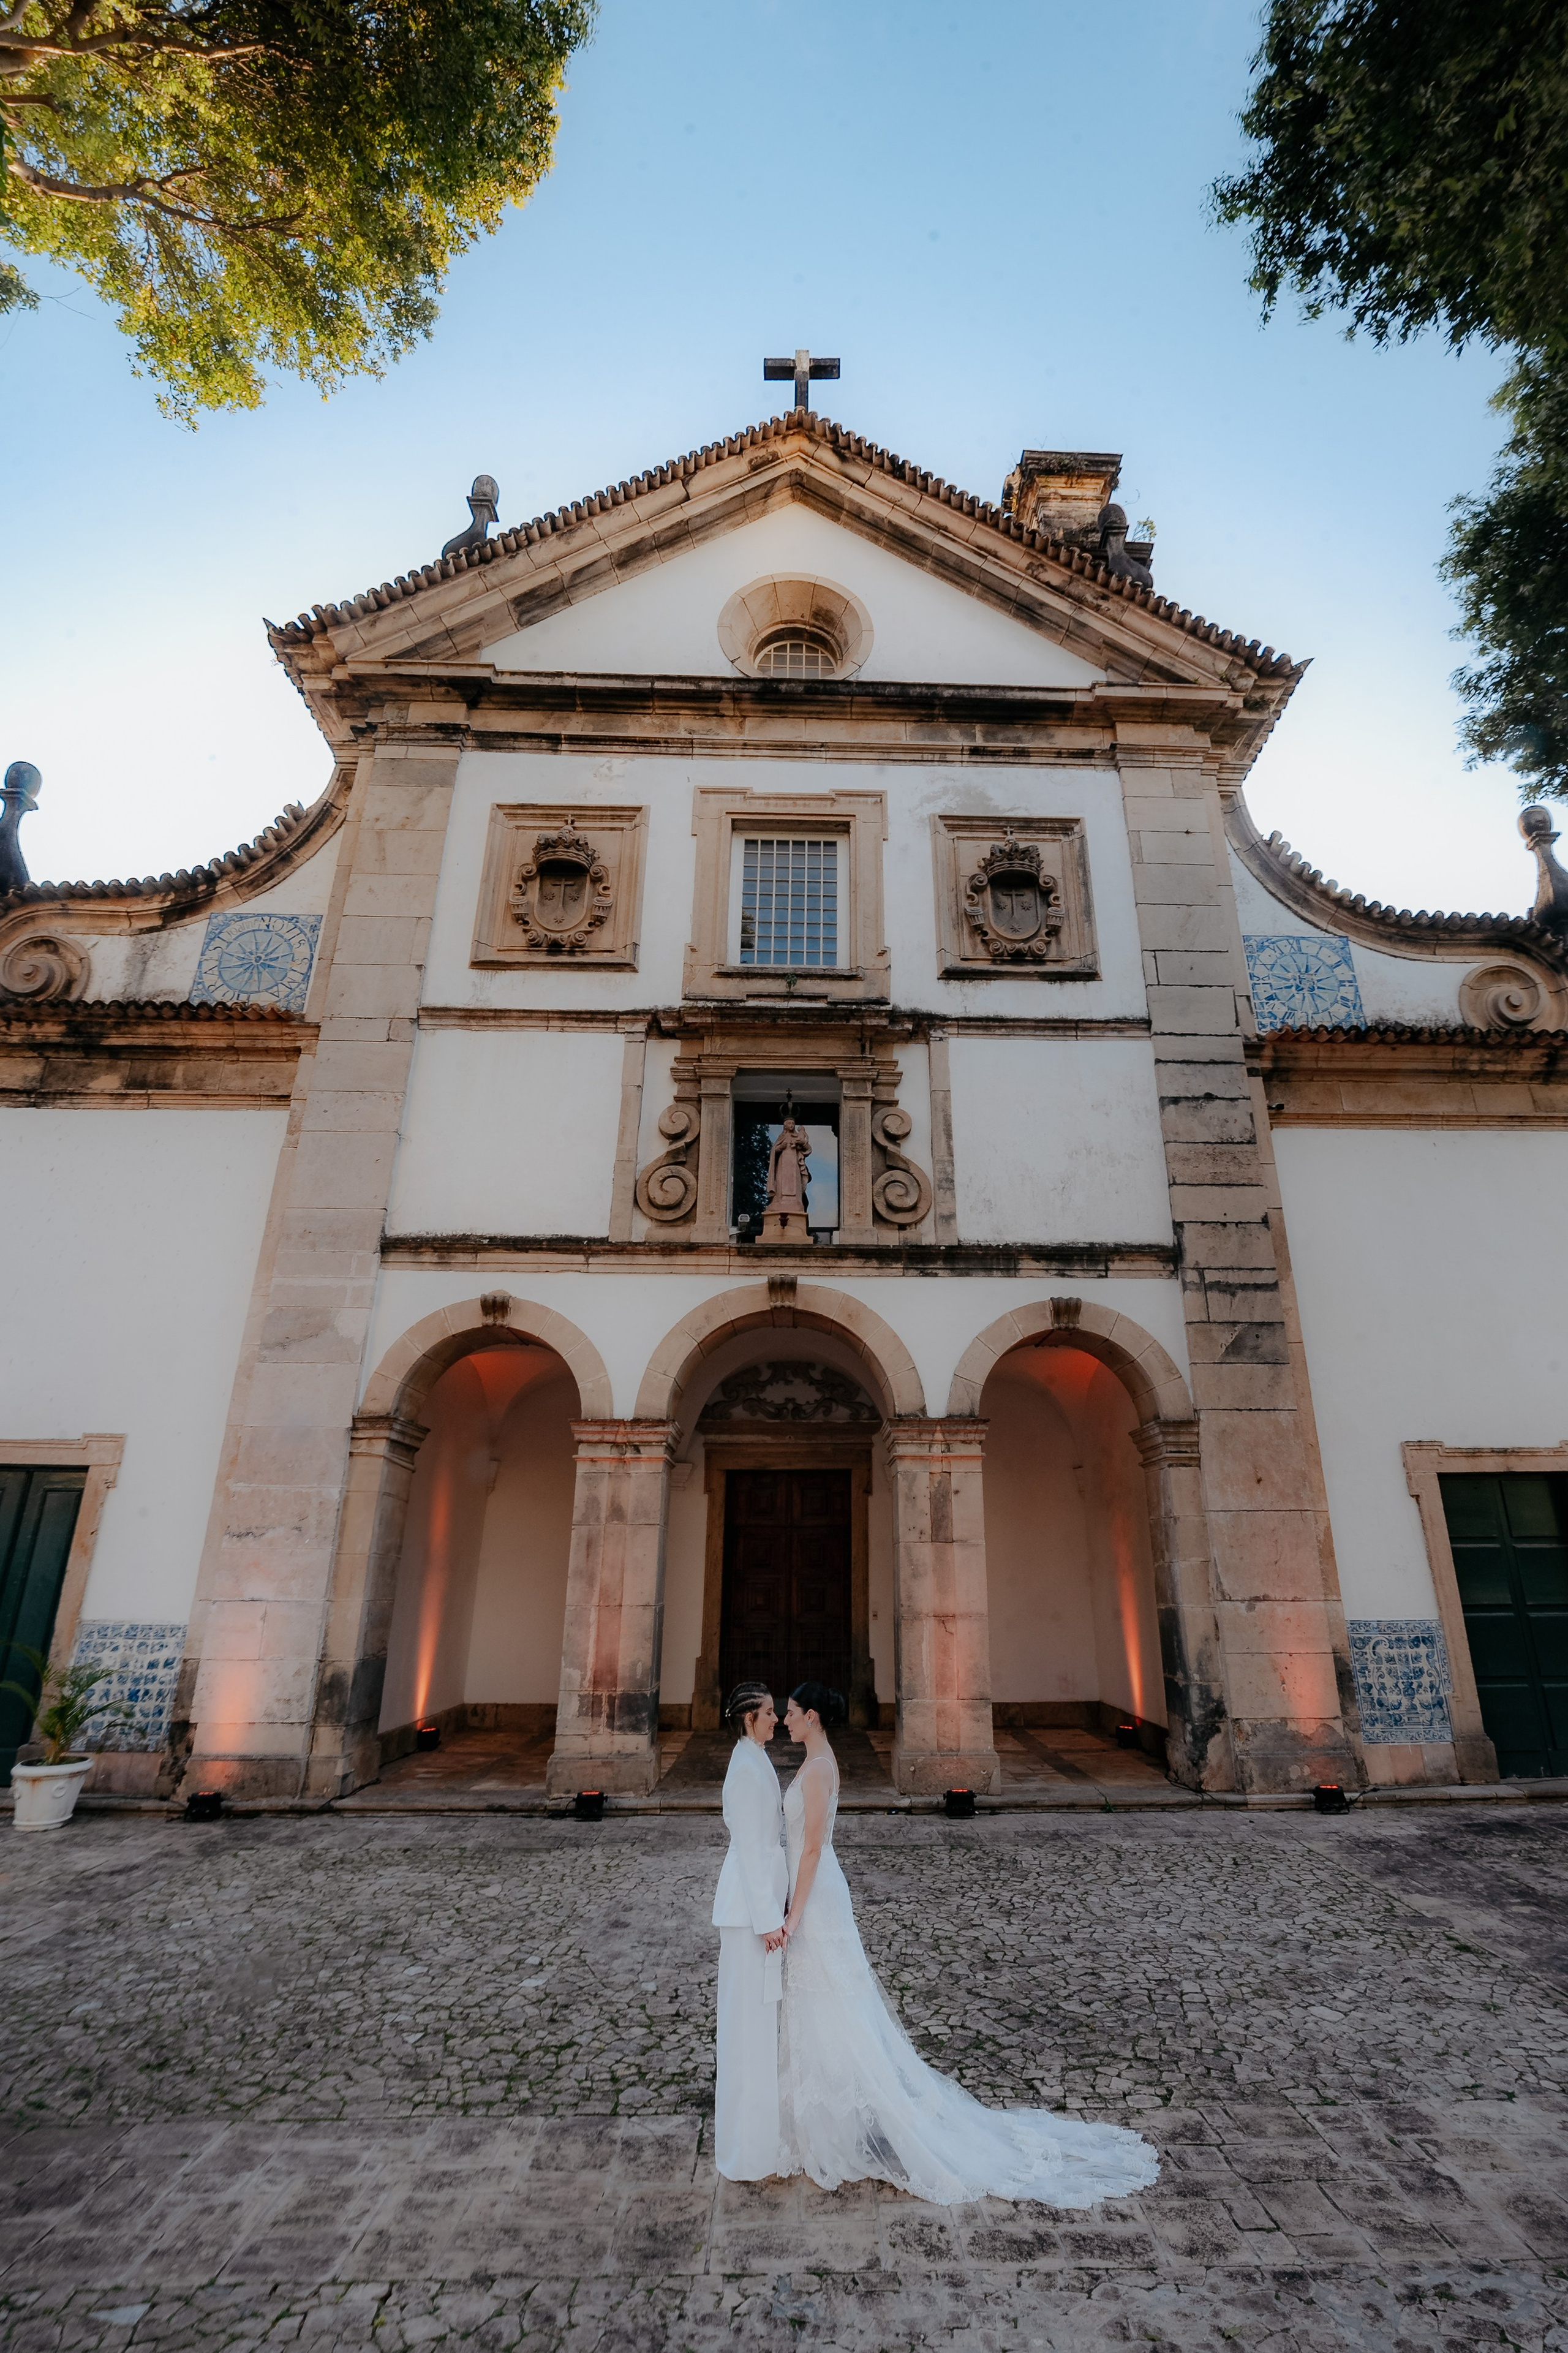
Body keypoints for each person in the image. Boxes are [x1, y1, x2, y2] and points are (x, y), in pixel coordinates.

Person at [776, 1680, 1160, 2208]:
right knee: (830, 2002)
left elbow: (814, 1848)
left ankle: (850, 2113)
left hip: (816, 1900)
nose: (785, 1719)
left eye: (792, 1712)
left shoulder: (819, 1769)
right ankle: (830, 2112)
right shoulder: (817, 1761)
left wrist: (793, 1912)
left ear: (813, 1715)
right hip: (815, 1896)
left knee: (836, 2001)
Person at [710, 1679, 789, 2180]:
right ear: (748, 1719)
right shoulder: (744, 1771)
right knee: (746, 2029)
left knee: (760, 2029)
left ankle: (763, 2135)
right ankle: (747, 2146)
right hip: (747, 1917)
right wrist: (769, 1922)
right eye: (769, 1712)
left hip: (758, 1909)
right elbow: (753, 1851)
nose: (777, 1719)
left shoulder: (755, 1758)